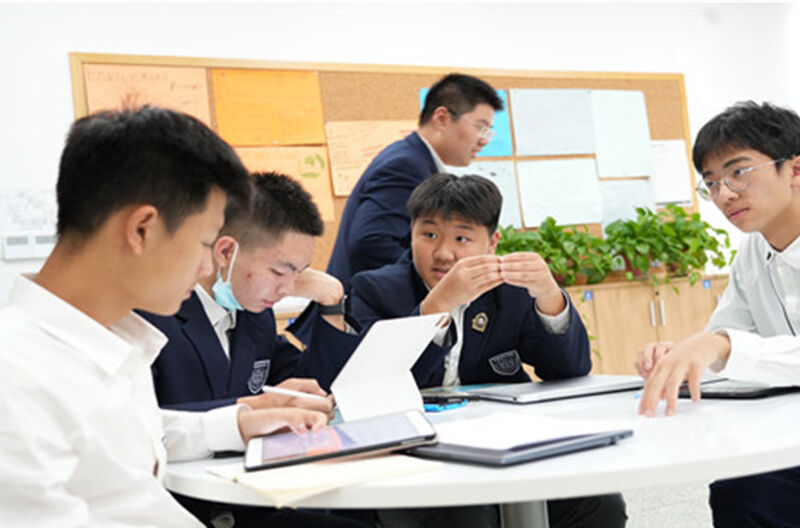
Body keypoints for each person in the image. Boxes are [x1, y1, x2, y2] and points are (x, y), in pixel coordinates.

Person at [0, 106, 336, 527]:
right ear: (141, 229)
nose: (207, 267)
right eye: (205, 243)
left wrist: (241, 423)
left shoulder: (110, 338)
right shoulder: (18, 380)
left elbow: (136, 436)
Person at [317, 173, 627, 527]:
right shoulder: (374, 289)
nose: (443, 253)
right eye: (428, 235)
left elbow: (570, 370)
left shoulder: (509, 291)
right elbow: (370, 386)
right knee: (470, 517)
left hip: (504, 442)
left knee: (600, 505)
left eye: (462, 238)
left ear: (492, 242)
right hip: (414, 454)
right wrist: (437, 307)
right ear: (411, 232)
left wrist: (549, 296)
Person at [139, 170, 366, 527]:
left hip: (250, 500)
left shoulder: (254, 313)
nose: (288, 288)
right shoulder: (152, 313)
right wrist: (257, 407)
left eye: (299, 273)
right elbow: (145, 423)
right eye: (279, 272)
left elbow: (315, 387)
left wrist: (332, 303)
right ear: (226, 251)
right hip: (179, 510)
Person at [635, 101, 800, 527]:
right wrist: (681, 355)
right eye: (711, 182)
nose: (724, 194)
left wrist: (720, 346)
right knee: (740, 489)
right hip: (789, 433)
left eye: (739, 172)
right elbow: (727, 333)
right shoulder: (753, 251)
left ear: (795, 169)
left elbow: (727, 344)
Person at [326, 73, 504, 291]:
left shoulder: (413, 159)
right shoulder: (405, 166)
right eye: (480, 127)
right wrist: (435, 282)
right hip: (371, 302)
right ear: (442, 118)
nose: (484, 140)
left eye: (488, 131)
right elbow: (372, 242)